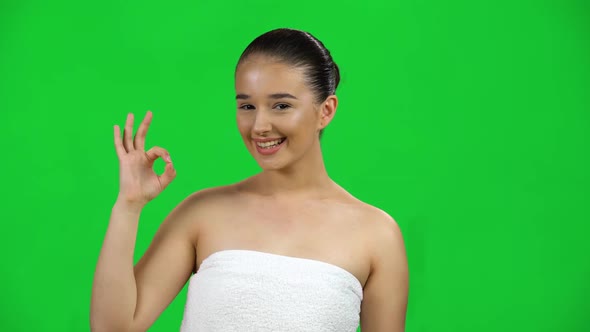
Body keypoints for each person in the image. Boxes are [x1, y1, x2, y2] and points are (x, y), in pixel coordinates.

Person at [90, 28, 408, 332]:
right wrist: (128, 206)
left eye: (281, 105)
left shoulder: (377, 235)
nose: (259, 125)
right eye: (247, 106)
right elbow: (112, 327)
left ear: (326, 111)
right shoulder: (202, 213)